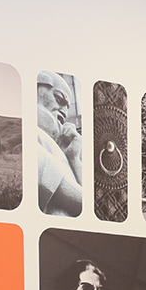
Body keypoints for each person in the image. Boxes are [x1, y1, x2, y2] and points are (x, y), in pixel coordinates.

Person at [37, 72, 83, 216]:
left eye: (67, 107)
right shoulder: (35, 135)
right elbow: (83, 202)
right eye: (59, 99)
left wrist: (73, 158)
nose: (64, 112)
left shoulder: (54, 145)